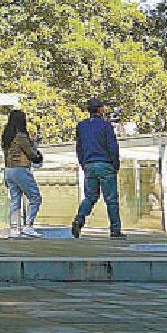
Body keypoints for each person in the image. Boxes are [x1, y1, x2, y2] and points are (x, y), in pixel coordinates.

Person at [71, 98, 126, 239]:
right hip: (105, 164)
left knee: (90, 197)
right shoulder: (105, 126)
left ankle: (79, 219)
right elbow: (112, 146)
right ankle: (115, 230)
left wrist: (84, 164)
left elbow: (79, 148)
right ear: (100, 109)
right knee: (111, 199)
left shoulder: (81, 126)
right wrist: (115, 164)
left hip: (89, 165)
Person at [1, 107, 44, 238]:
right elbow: (30, 153)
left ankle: (14, 228)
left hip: (8, 170)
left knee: (15, 200)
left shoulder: (6, 137)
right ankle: (28, 226)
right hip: (20, 169)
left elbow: (6, 155)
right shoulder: (20, 136)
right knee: (35, 197)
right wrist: (38, 154)